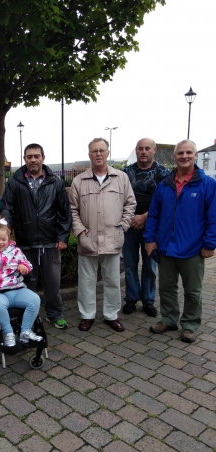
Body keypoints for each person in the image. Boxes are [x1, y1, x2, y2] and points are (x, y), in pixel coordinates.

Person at [145, 139, 216, 343]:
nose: (184, 156)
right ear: (174, 157)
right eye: (180, 153)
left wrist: (210, 244)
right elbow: (154, 216)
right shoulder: (164, 185)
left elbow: (213, 217)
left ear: (195, 156)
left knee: (193, 291)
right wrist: (150, 240)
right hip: (166, 247)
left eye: (188, 153)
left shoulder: (208, 185)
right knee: (166, 287)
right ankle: (168, 319)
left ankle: (190, 324)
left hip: (193, 249)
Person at [0, 143, 72, 329]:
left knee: (52, 282)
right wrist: (6, 232)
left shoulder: (55, 182)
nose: (33, 159)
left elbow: (65, 212)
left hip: (50, 241)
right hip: (25, 242)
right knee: (26, 282)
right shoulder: (15, 181)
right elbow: (6, 207)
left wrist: (63, 237)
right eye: (29, 156)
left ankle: (54, 315)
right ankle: (27, 318)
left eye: (36, 156)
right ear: (24, 159)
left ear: (43, 157)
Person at [69, 138, 136, 332]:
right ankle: (87, 315)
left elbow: (130, 204)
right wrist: (80, 231)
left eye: (101, 150)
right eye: (94, 151)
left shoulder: (121, 178)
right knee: (87, 280)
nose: (98, 154)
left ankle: (111, 314)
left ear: (108, 153)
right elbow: (72, 209)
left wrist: (123, 226)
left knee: (112, 280)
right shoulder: (79, 181)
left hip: (112, 237)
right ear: (89, 154)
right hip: (87, 238)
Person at [0, 214, 42, 346]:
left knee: (35, 299)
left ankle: (25, 331)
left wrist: (24, 267)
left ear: (8, 239)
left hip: (16, 289)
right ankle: (8, 333)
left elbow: (28, 264)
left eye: (3, 239)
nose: (0, 242)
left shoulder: (16, 251)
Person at [122, 138, 170, 317]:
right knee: (129, 264)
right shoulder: (126, 173)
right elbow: (119, 198)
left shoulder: (163, 173)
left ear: (154, 150)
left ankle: (148, 300)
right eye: (140, 148)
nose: (143, 151)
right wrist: (132, 218)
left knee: (150, 264)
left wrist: (144, 217)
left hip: (152, 226)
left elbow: (167, 201)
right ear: (136, 150)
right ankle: (131, 298)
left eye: (147, 148)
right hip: (129, 224)